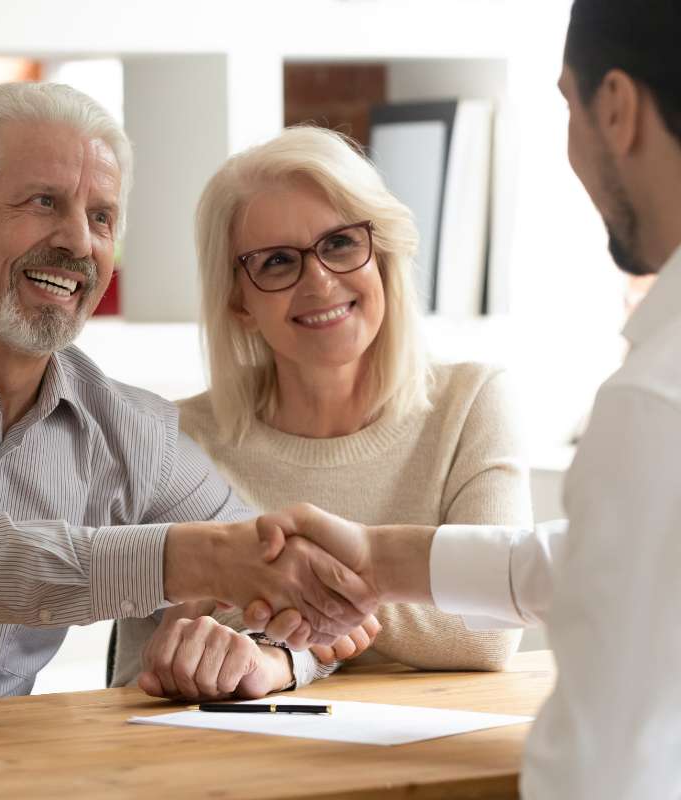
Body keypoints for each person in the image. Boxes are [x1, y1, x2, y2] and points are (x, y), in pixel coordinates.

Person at [248, 1, 681, 796]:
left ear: (614, 108)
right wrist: (379, 561)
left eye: (565, 104)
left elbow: (606, 766)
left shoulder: (656, 400)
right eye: (274, 261)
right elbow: (582, 564)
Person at [0, 81, 377, 707]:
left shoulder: (130, 431)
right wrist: (194, 558)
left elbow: (271, 568)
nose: (78, 242)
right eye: (43, 202)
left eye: (101, 216)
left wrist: (271, 653)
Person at [112, 125, 533, 698]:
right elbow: (144, 670)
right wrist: (325, 626)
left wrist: (284, 628)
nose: (319, 281)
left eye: (339, 244)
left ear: (381, 253)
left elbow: (489, 626)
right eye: (278, 262)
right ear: (238, 299)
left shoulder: (472, 404)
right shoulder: (172, 441)